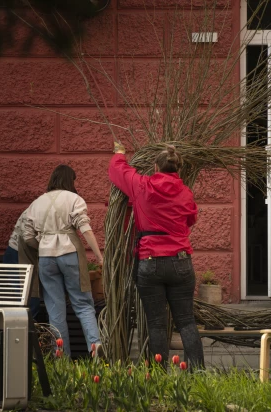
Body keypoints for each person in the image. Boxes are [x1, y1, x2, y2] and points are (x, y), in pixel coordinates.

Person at [108, 142, 204, 369]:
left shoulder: (143, 186)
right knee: (187, 321)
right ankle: (198, 373)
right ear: (177, 170)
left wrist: (120, 154)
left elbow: (118, 172)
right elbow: (191, 220)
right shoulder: (185, 192)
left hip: (149, 262)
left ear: (155, 167)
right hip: (180, 261)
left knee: (157, 325)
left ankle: (159, 378)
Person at [22, 165, 104, 357]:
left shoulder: (37, 203)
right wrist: (99, 256)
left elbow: (27, 237)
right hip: (70, 254)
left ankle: (61, 359)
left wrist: (43, 244)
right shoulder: (74, 199)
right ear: (70, 181)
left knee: (54, 309)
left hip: (46, 258)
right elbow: (85, 229)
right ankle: (95, 347)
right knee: (83, 304)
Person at [2, 208, 41, 320]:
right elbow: (28, 237)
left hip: (16, 252)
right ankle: (22, 331)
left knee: (27, 298)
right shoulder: (42, 208)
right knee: (27, 299)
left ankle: (24, 331)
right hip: (19, 253)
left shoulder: (39, 204)